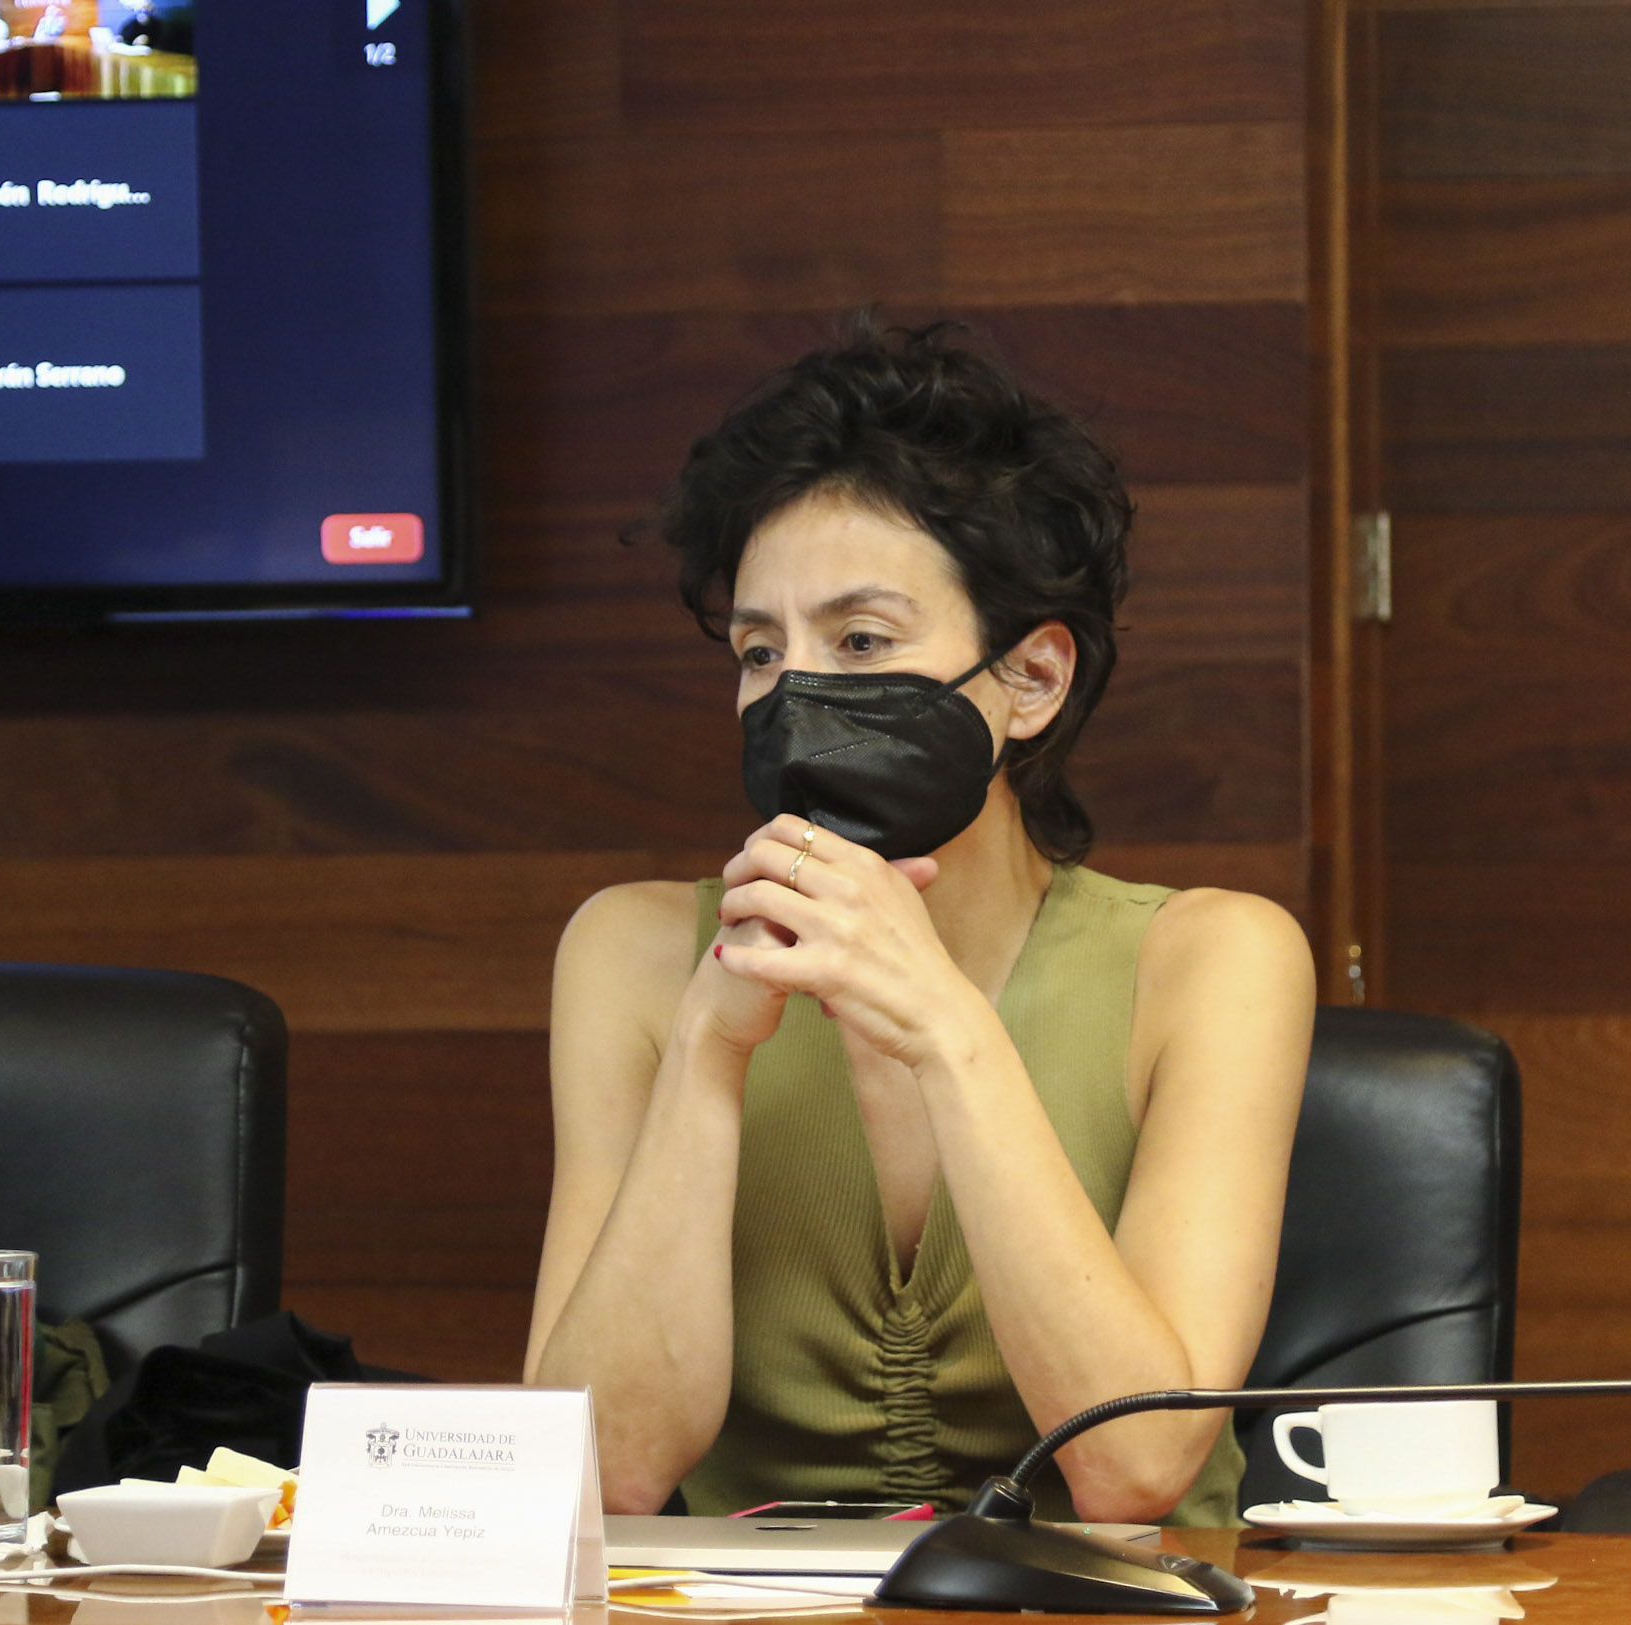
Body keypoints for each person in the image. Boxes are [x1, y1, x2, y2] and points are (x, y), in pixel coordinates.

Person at [525, 319, 1316, 1525]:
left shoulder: (1215, 959)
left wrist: (946, 1027)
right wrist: (709, 1046)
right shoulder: (629, 953)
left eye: (861, 640)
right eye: (759, 650)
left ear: (1031, 679)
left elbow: (1135, 1466)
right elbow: (594, 1476)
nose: (796, 692)